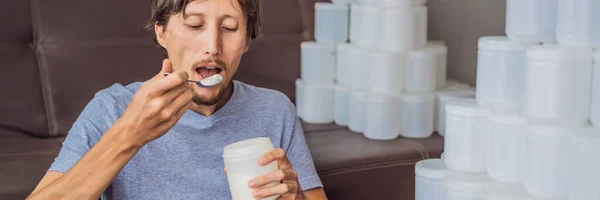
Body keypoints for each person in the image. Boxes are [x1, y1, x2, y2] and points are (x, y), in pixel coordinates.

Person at [27, 0, 327, 199]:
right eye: (195, 25)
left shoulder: (275, 109)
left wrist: (295, 195)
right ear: (161, 32)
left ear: (246, 41)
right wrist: (129, 135)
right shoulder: (112, 108)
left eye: (230, 28)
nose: (212, 46)